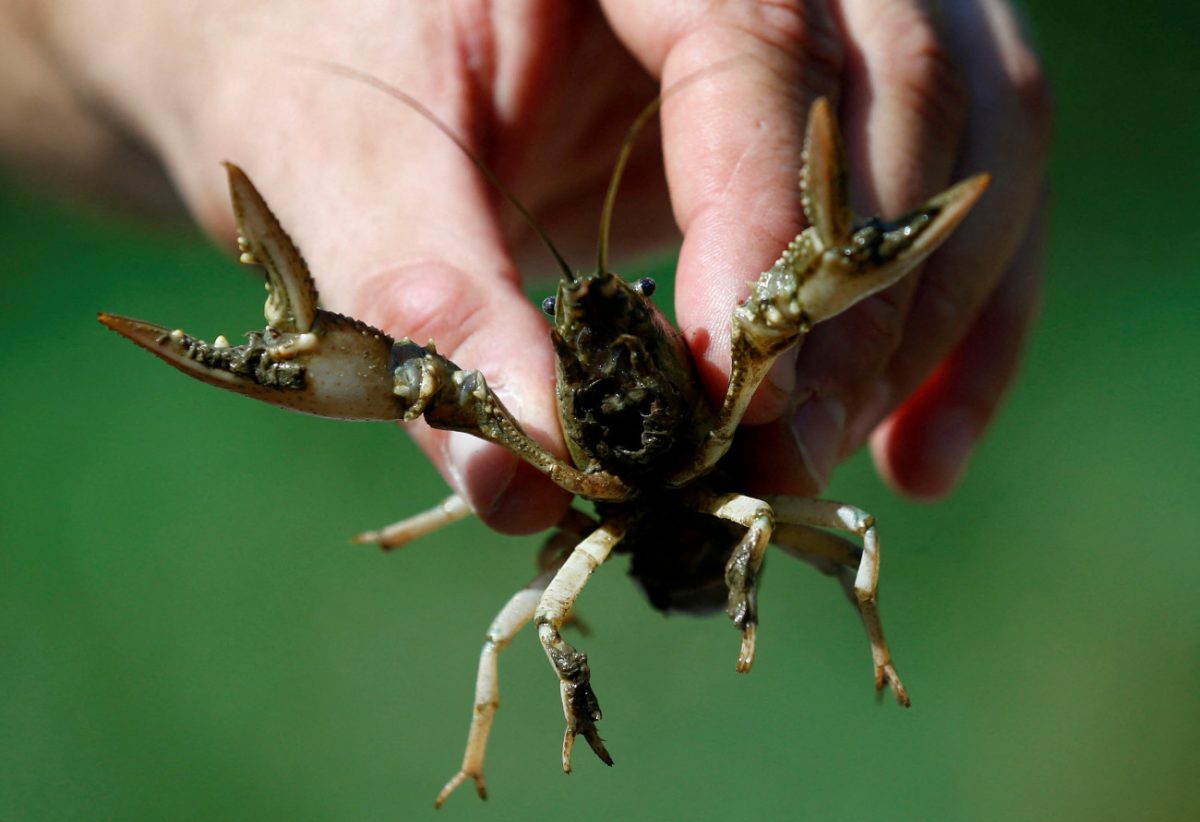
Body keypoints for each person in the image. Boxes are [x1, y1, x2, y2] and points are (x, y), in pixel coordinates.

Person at [0, 0, 1050, 534]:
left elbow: (770, 316)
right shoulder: (534, 427)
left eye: (635, 311)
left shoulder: (722, 393)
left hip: (732, 490)